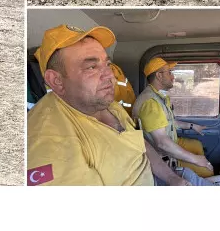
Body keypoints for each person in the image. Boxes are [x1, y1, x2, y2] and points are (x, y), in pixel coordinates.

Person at [27, 24, 193, 186]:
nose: (111, 78)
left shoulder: (109, 104)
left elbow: (138, 143)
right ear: (56, 81)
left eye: (107, 65)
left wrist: (172, 178)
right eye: (92, 67)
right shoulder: (49, 139)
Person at [133, 57, 216, 181]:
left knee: (197, 145)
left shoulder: (160, 96)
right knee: (207, 170)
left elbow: (170, 122)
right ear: (159, 76)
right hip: (162, 156)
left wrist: (193, 126)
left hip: (170, 144)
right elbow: (162, 143)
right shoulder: (151, 103)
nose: (173, 77)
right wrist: (196, 159)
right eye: (169, 72)